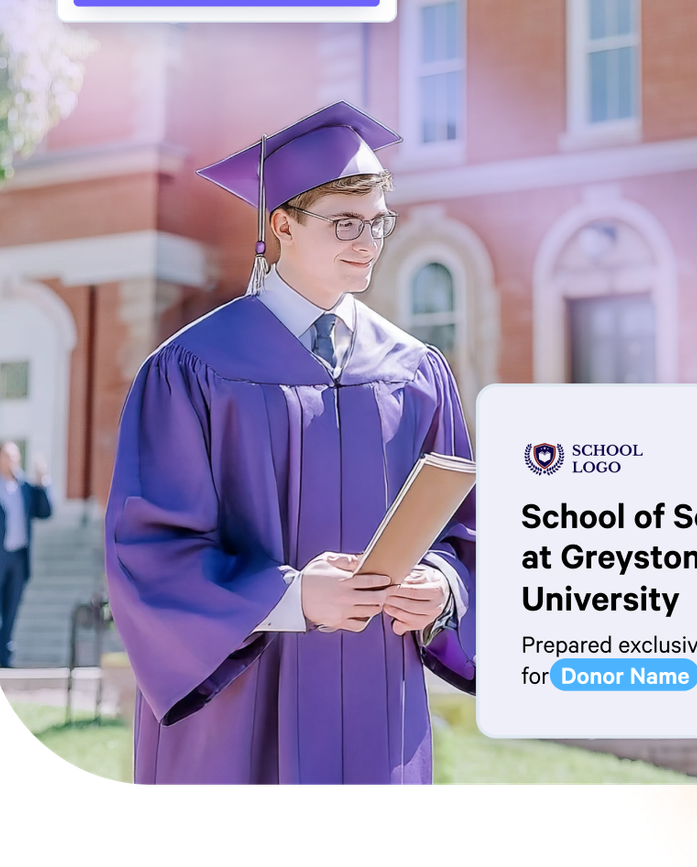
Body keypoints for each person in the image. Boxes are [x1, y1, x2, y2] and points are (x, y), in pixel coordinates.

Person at [105, 102, 475, 785]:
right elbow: (149, 554)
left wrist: (445, 587)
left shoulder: (414, 373)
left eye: (378, 223)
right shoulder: (192, 370)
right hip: (240, 715)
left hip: (378, 708)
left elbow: (468, 532)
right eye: (344, 223)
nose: (367, 241)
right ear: (281, 226)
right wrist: (292, 598)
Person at [0, 442, 52, 669]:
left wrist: (42, 481)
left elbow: (44, 511)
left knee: (12, 608)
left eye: (15, 456)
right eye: (8, 456)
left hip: (19, 558)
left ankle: (5, 656)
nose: (13, 460)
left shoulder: (25, 488)